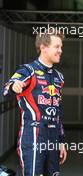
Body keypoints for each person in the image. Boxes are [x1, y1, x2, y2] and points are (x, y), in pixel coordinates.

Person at [2, 30, 67, 176]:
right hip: (33, 136)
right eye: (57, 47)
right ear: (43, 47)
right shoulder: (28, 70)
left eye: (61, 47)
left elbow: (58, 111)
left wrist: (61, 141)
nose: (60, 51)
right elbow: (6, 90)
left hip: (53, 137)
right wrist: (13, 86)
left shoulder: (59, 77)